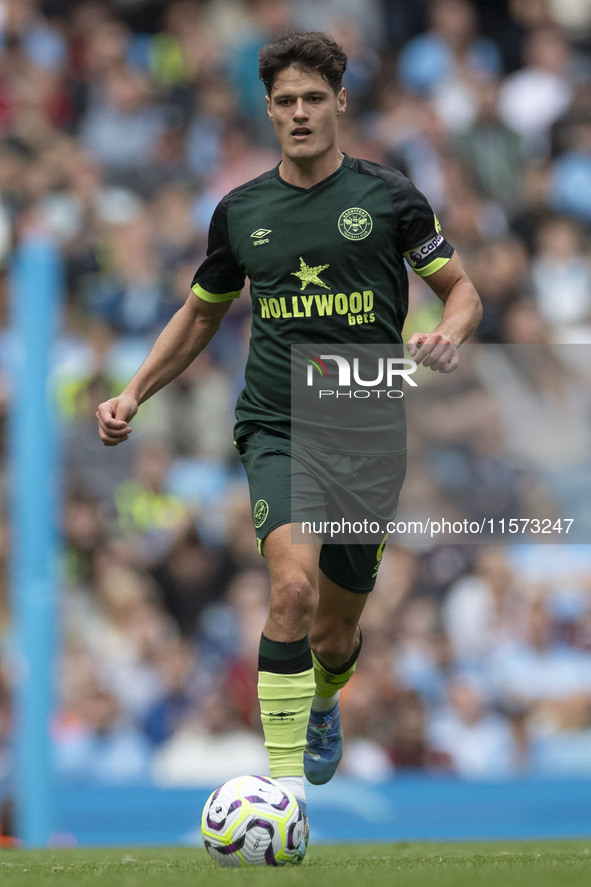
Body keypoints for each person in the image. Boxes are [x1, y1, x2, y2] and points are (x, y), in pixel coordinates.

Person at [97, 30, 482, 857]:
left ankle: (324, 697)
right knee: (290, 592)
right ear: (266, 110)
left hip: (366, 427)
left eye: (314, 98)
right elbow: (201, 313)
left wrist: (447, 333)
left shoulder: (390, 198)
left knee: (335, 635)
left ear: (340, 103)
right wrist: (133, 390)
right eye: (285, 101)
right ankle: (281, 792)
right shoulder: (241, 212)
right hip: (276, 422)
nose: (300, 113)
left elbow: (462, 293)